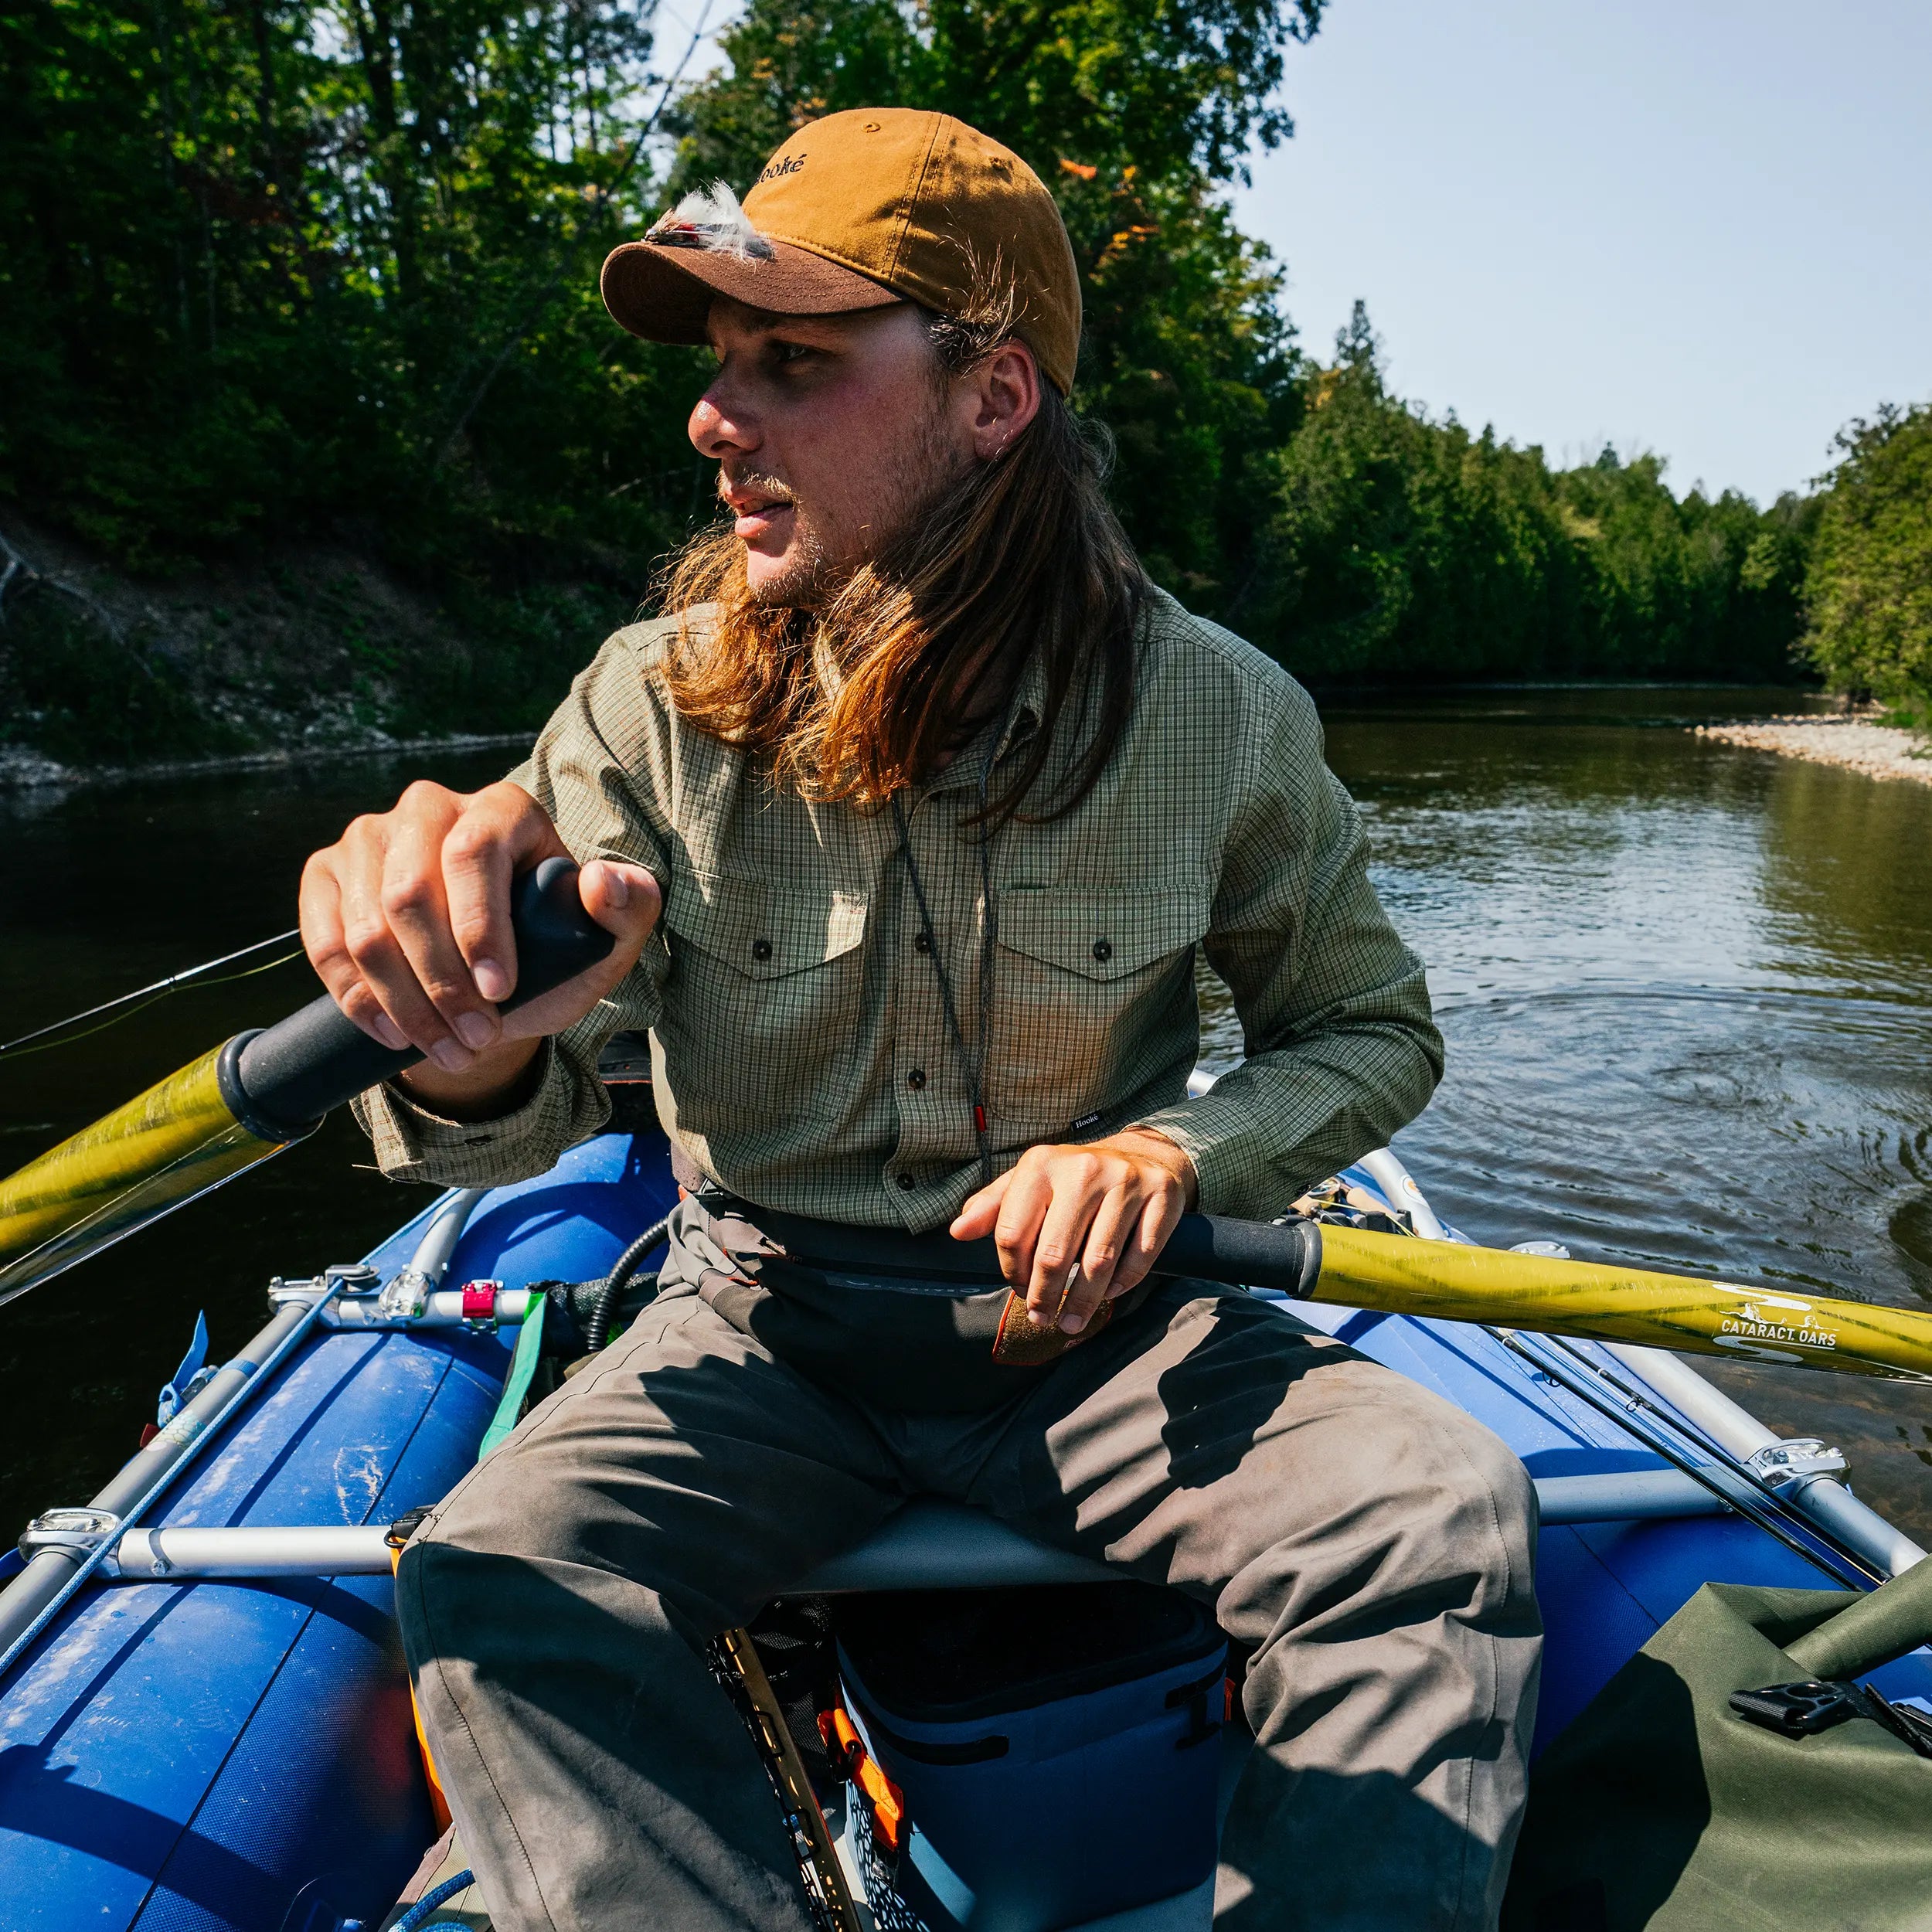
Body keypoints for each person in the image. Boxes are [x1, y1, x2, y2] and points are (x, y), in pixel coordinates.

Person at [300, 107, 1540, 1932]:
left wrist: (1165, 1151)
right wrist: (467, 1034)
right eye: (722, 367)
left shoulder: (1218, 713)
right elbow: (522, 1095)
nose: (717, 420)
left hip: (1100, 1342)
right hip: (757, 1332)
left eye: (790, 364)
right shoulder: (640, 708)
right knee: (498, 1568)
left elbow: (1369, 1032)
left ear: (990, 397)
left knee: (1433, 1503)